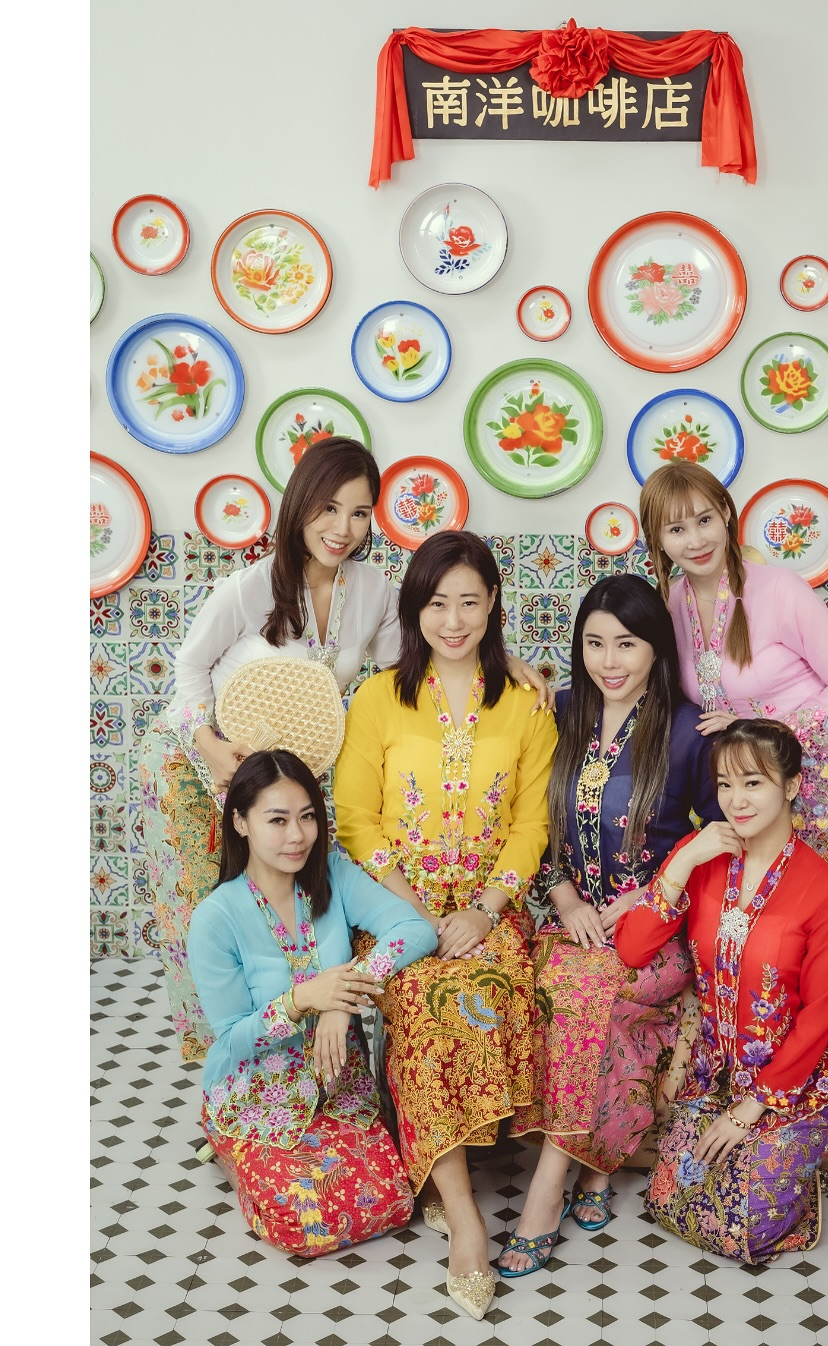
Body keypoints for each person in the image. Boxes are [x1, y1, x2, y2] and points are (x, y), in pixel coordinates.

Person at [141, 437, 552, 1061]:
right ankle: (228, 1067)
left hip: (285, 776)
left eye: (359, 513)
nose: (343, 528)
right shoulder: (250, 588)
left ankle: (306, 1050)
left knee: (286, 908)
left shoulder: (372, 588)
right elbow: (189, 668)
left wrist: (505, 659)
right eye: (328, 508)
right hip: (201, 766)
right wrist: (210, 746)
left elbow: (416, 657)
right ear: (300, 504)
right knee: (216, 914)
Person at [639, 461, 828, 1184]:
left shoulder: (780, 589)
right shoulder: (673, 604)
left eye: (705, 519)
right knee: (777, 949)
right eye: (676, 527)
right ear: (657, 538)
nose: (695, 538)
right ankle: (782, 1100)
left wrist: (774, 725)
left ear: (727, 515)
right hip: (766, 795)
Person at [333, 529, 557, 1321]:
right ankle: (465, 1220)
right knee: (424, 1004)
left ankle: (437, 1167)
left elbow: (531, 825)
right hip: (398, 904)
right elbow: (356, 819)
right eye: (437, 603)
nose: (454, 620)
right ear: (414, 609)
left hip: (490, 905)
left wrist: (485, 910)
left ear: (494, 604)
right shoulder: (377, 698)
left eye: (469, 601)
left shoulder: (526, 703)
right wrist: (419, 912)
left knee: (490, 989)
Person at [500, 575, 722, 1276]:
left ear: (656, 646)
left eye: (626, 643)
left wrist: (649, 896)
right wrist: (564, 899)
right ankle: (597, 1166)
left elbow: (723, 834)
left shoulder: (688, 730)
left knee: (595, 995)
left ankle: (546, 1193)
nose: (609, 660)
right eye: (594, 644)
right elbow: (528, 822)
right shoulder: (560, 710)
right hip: (570, 925)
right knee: (565, 991)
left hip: (655, 929)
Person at [615, 719, 828, 1264]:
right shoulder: (704, 856)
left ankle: (819, 1140)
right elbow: (632, 949)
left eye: (753, 783)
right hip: (710, 1072)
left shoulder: (824, 889)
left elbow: (821, 1015)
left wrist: (749, 1110)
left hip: (789, 1084)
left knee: (744, 1229)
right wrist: (683, 860)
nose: (735, 800)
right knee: (671, 1198)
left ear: (791, 786)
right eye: (725, 784)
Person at [187, 749, 437, 1256]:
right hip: (257, 1095)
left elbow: (415, 928)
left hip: (339, 1086)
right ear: (241, 823)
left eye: (307, 817)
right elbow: (231, 1039)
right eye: (277, 820)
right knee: (305, 1225)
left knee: (390, 1201)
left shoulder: (333, 874)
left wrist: (342, 998)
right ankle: (227, 1141)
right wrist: (301, 1000)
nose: (297, 835)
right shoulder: (216, 917)